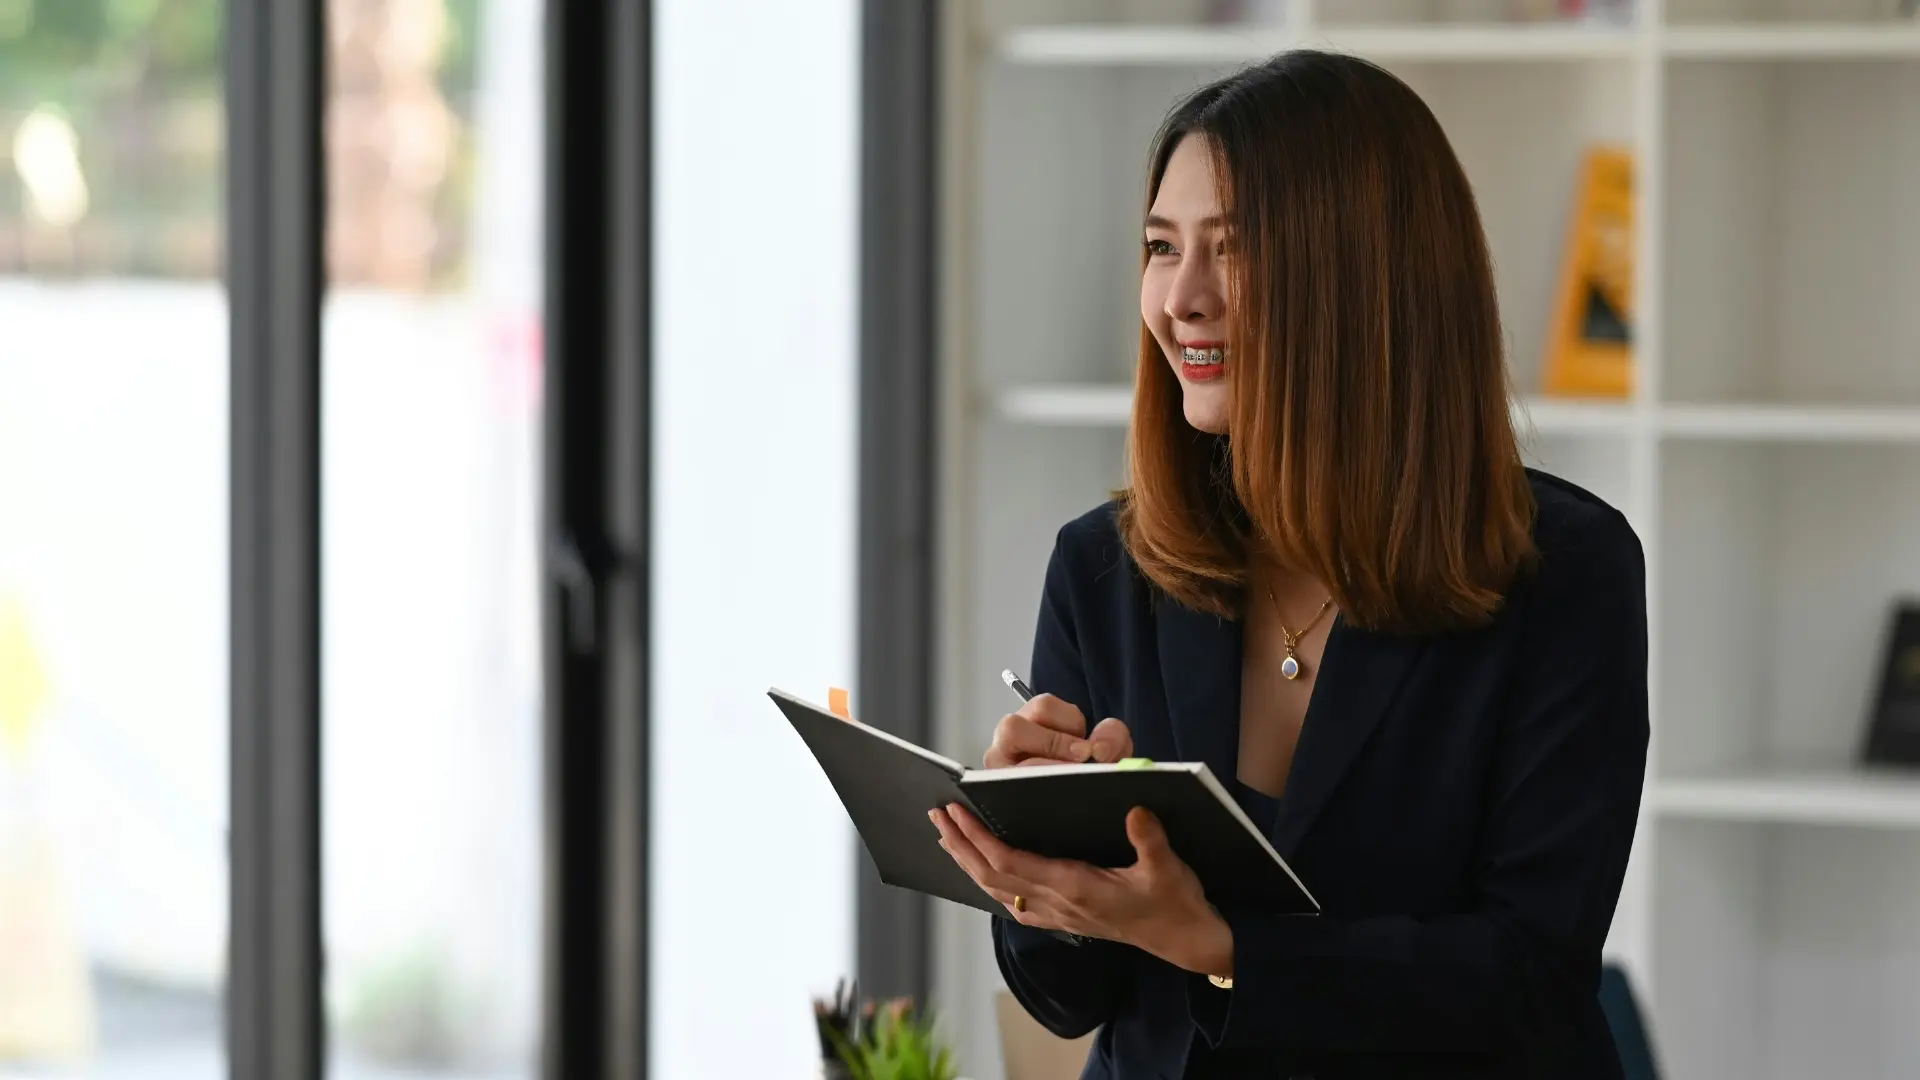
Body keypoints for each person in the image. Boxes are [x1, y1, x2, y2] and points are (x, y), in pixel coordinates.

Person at [927, 50, 1649, 1079]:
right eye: (1159, 247)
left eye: (1233, 249)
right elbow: (1064, 997)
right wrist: (1036, 857)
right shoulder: (1102, 566)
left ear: (1370, 276)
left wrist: (1220, 948)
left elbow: (1528, 975)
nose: (1181, 298)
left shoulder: (1563, 572)